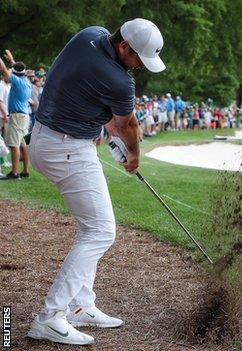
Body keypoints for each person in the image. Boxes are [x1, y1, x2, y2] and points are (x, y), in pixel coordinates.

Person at [27, 18, 165, 345]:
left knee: (92, 225)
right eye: (138, 60)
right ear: (124, 47)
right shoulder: (120, 80)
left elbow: (87, 94)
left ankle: (81, 306)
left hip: (46, 140)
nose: (139, 68)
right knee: (101, 230)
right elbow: (126, 126)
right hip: (67, 148)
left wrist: (102, 127)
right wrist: (133, 158)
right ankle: (50, 317)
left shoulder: (90, 35)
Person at [0, 50, 32, 180]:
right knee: (23, 144)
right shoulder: (26, 81)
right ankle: (25, 171)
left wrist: (3, 62)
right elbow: (17, 69)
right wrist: (12, 59)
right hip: (24, 116)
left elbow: (3, 69)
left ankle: (14, 172)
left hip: (17, 116)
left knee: (14, 145)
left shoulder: (17, 82)